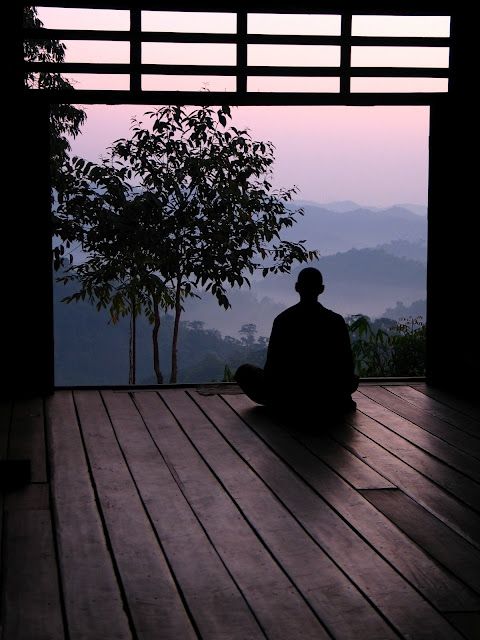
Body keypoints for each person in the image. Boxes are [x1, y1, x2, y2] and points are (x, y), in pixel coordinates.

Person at [234, 267, 358, 417]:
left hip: (289, 396)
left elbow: (273, 366)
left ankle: (285, 404)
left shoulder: (283, 320)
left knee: (245, 371)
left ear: (297, 287)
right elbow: (346, 364)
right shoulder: (335, 321)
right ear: (321, 289)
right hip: (328, 394)